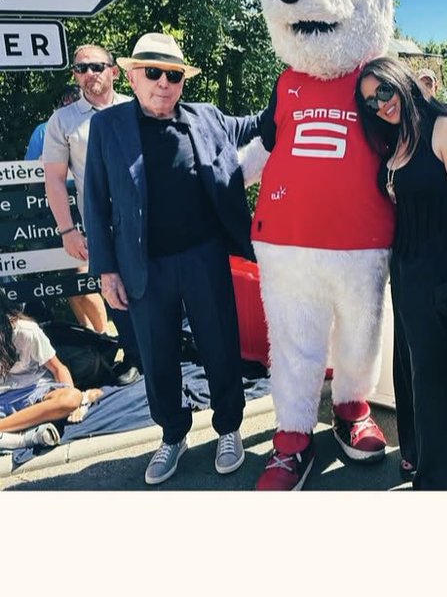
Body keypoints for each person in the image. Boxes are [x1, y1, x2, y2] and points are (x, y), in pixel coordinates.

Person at [83, 32, 270, 486]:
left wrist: (298, 84)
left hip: (204, 256)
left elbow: (259, 123)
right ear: (131, 75)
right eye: (153, 73)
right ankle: (172, 433)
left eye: (174, 74)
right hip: (144, 265)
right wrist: (106, 270)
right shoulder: (109, 128)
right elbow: (95, 201)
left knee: (220, 344)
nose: (164, 83)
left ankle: (228, 428)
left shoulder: (205, 117)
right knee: (158, 354)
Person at [357, 57, 447, 490]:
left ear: (402, 81)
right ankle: (425, 464)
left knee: (436, 377)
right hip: (406, 266)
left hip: (438, 265)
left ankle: (443, 480)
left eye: (385, 92)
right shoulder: (396, 136)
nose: (380, 105)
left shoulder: (442, 126)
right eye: (371, 102)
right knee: (415, 372)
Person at [42, 44, 141, 376]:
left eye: (96, 67)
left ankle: (169, 349)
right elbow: (55, 181)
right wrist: (67, 231)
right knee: (116, 293)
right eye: (81, 69)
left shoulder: (138, 106)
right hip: (104, 226)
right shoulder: (63, 121)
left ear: (113, 71)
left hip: (150, 219)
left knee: (160, 285)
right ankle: (135, 357)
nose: (88, 75)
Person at [0, 288, 102, 452]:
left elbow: (58, 368)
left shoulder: (26, 330)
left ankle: (6, 431)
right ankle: (27, 439)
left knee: (71, 397)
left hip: (33, 391)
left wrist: (74, 404)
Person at [24, 85, 80, 161]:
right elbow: (29, 165)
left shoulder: (92, 128)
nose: (69, 110)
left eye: (74, 105)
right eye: (65, 105)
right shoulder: (43, 131)